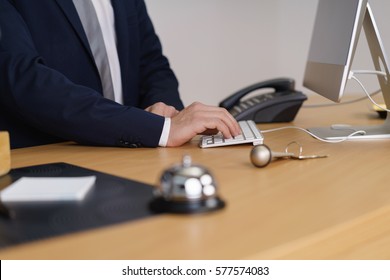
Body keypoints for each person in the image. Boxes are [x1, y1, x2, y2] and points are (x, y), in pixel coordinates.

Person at [0, 0, 240, 149]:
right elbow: (23, 79)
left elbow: (151, 62)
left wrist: (164, 111)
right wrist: (159, 130)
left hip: (128, 159)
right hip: (47, 163)